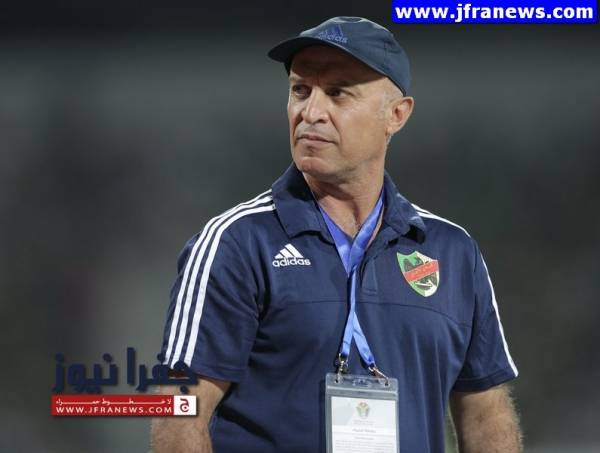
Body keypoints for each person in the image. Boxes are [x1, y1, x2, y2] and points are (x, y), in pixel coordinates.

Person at [151, 16, 523, 453]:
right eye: (300, 90)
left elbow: (485, 412)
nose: (310, 112)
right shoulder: (235, 243)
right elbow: (179, 412)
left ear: (396, 115)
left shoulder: (452, 251)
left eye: (338, 92)